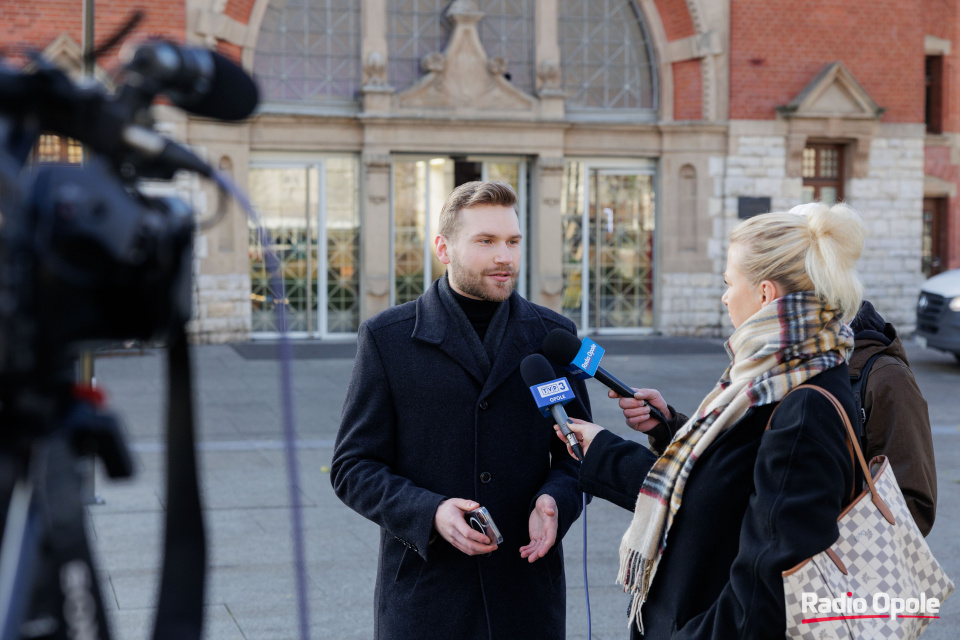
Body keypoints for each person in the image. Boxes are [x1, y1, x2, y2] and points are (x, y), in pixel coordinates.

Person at [557, 202, 865, 639]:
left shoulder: (804, 403)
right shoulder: (768, 373)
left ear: (765, 294)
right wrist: (669, 429)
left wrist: (603, 451)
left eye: (728, 282)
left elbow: (769, 589)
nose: (724, 296)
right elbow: (727, 490)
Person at [331, 180, 591, 640]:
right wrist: (429, 511)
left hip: (527, 597)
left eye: (513, 241)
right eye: (486, 241)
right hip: (426, 601)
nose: (505, 257)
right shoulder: (387, 339)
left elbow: (578, 455)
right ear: (443, 248)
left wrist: (556, 501)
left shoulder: (554, 336)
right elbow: (353, 467)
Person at [848, 299, 937, 534]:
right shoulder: (784, 368)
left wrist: (835, 545)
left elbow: (914, 506)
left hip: (846, 564)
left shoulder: (887, 377)